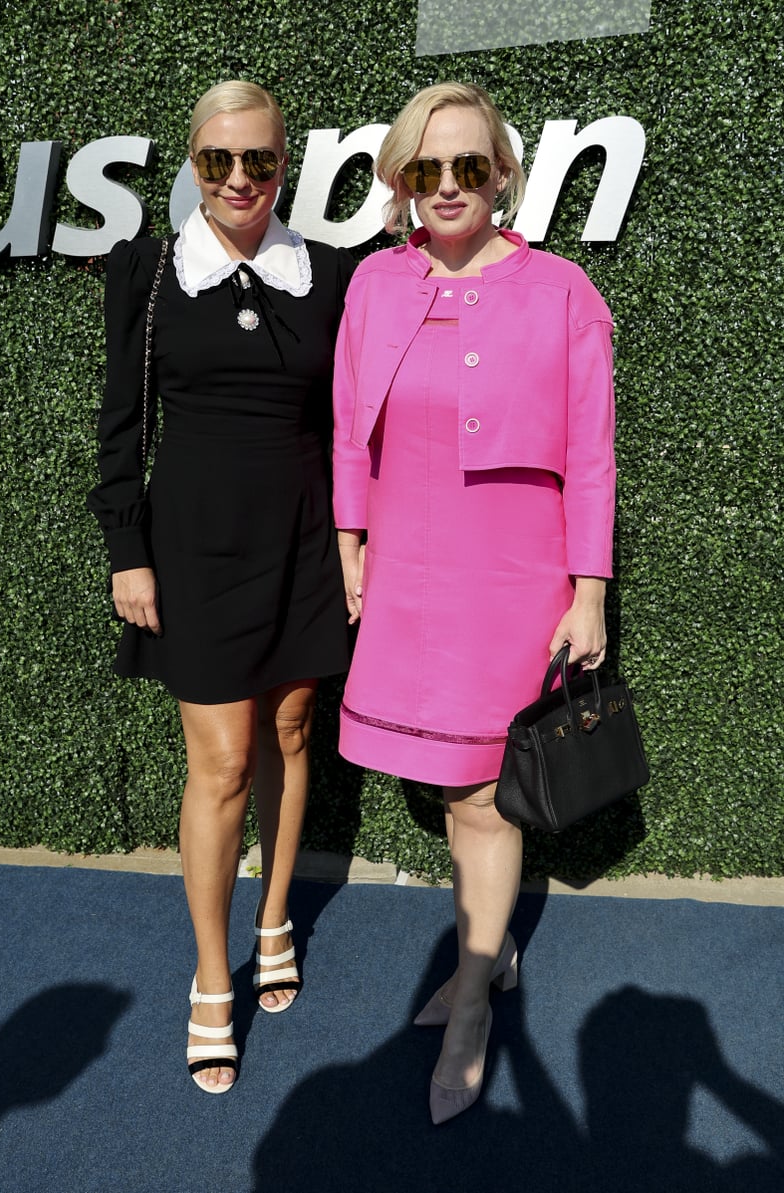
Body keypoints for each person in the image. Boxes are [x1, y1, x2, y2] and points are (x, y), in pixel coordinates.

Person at [332, 82, 615, 1123]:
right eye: (425, 169)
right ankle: (481, 963)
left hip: (516, 578)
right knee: (452, 789)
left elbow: (592, 453)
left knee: (487, 797)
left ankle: (469, 1003)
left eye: (467, 166)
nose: (447, 186)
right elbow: (344, 430)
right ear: (403, 181)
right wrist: (351, 543)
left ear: (500, 173)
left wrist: (589, 591)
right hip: (410, 570)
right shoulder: (372, 285)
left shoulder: (563, 290)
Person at [88, 80, 354, 1093]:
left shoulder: (326, 273)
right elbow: (122, 425)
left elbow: (348, 427)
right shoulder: (149, 272)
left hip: (301, 543)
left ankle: (276, 911)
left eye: (261, 161)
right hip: (192, 547)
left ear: (285, 164)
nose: (241, 179)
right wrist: (127, 547)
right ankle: (212, 971)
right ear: (192, 165)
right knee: (223, 760)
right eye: (218, 161)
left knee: (291, 733)